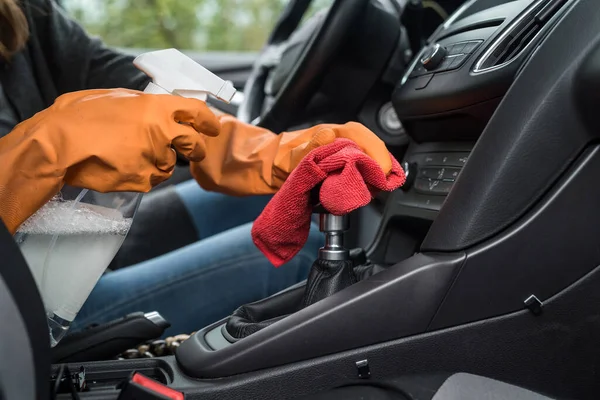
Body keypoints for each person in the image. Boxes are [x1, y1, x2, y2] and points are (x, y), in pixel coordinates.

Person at [0, 0, 393, 336]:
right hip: (27, 307)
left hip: (66, 235)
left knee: (267, 200)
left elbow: (131, 85)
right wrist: (36, 155)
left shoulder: (25, 12)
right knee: (306, 254)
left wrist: (272, 151)